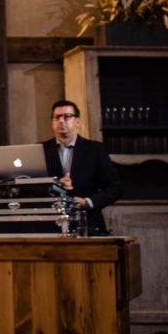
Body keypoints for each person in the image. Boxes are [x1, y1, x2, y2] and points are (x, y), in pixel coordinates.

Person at [42, 99, 122, 235]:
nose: (61, 121)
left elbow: (115, 189)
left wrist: (87, 202)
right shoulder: (40, 150)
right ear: (52, 122)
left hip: (88, 223)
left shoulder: (95, 150)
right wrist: (54, 185)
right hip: (48, 225)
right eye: (57, 117)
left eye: (67, 117)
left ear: (78, 121)